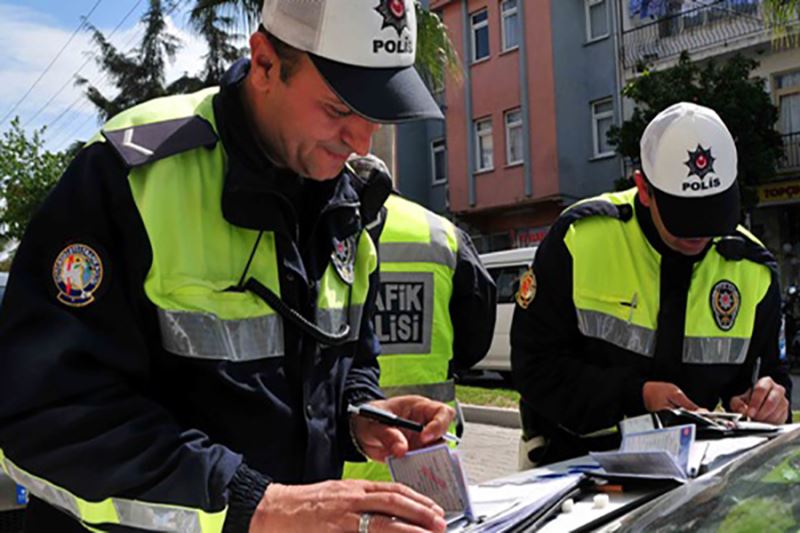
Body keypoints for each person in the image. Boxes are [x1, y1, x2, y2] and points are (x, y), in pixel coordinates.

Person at [0, 1, 457, 532]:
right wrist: (254, 504)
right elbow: (46, 414)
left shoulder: (347, 201)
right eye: (338, 109)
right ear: (264, 63)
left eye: (377, 112)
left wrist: (359, 414)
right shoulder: (133, 177)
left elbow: (349, 357)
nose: (362, 140)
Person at [511, 102, 792, 467]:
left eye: (713, 211)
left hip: (695, 478)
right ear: (644, 188)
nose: (700, 233)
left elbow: (768, 376)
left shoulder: (751, 268)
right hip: (576, 464)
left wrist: (770, 399)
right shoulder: (579, 240)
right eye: (685, 216)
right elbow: (533, 368)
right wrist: (636, 395)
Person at [342, 155, 498, 481]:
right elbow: (475, 340)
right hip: (423, 458)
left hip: (336, 465)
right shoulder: (442, 233)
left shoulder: (317, 229)